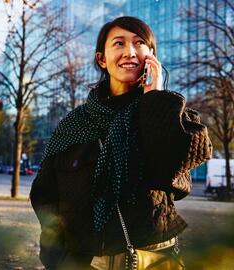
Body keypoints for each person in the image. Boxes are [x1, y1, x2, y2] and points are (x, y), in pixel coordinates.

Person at [30, 16, 212, 270]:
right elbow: (45, 195)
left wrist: (155, 99)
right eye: (118, 43)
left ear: (152, 56)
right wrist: (57, 257)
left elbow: (171, 171)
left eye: (139, 43)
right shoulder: (75, 124)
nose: (130, 51)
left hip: (154, 260)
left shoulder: (173, 113)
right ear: (102, 59)